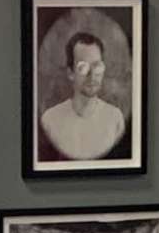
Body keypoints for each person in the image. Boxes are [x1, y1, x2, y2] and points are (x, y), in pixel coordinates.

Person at [37, 25, 129, 165]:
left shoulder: (115, 120)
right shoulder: (50, 121)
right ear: (70, 73)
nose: (92, 75)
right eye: (83, 67)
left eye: (96, 66)